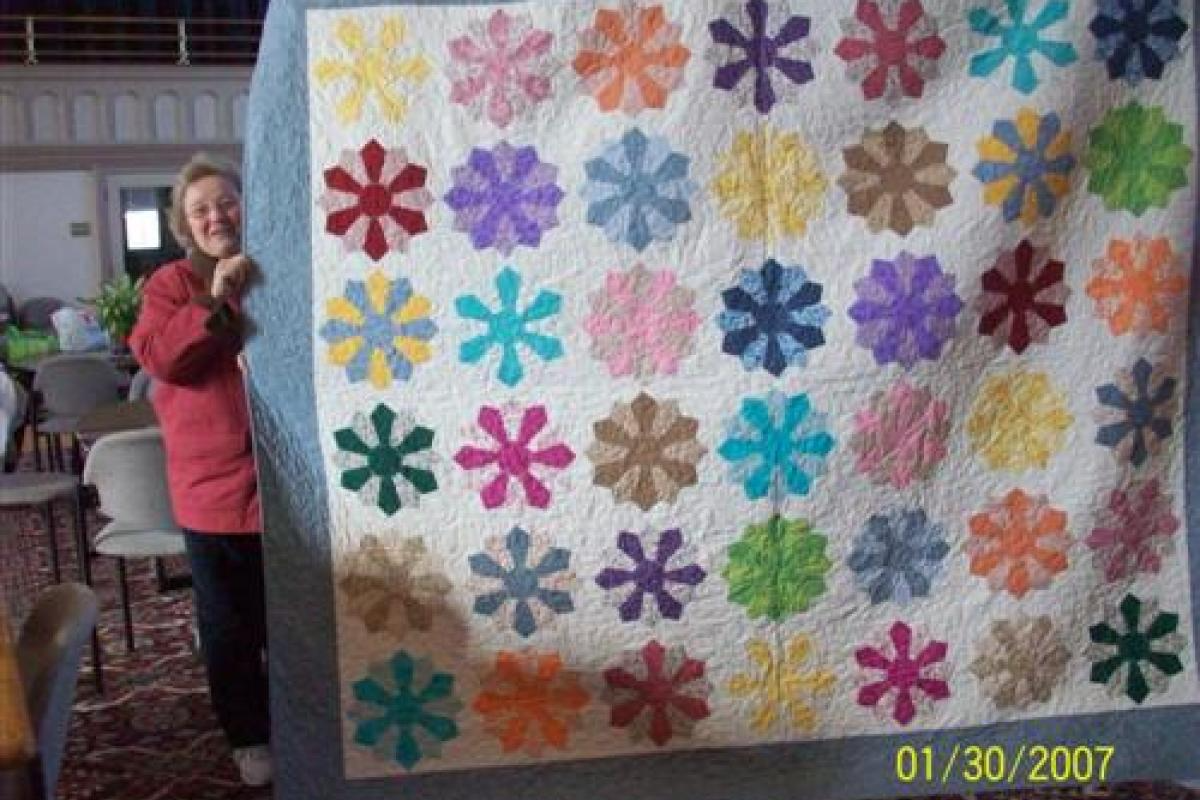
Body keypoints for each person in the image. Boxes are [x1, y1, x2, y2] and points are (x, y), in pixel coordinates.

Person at [128, 153, 271, 787]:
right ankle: (248, 735)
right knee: (229, 623)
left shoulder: (278, 267)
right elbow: (165, 360)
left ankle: (304, 719)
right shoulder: (169, 286)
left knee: (292, 614)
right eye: (201, 209)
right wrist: (218, 301)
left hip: (284, 481)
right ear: (185, 225)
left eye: (227, 201)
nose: (217, 215)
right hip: (212, 485)